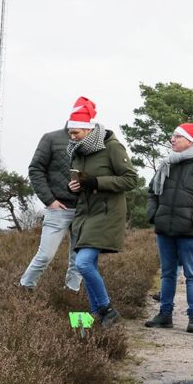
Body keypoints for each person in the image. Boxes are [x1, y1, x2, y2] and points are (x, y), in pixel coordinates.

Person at [66, 97, 139, 328]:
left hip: (107, 213)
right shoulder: (77, 151)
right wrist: (75, 186)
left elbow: (130, 180)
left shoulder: (112, 147)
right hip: (84, 214)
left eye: (76, 132)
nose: (72, 137)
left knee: (84, 263)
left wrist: (96, 182)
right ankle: (101, 314)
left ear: (89, 129)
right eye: (70, 133)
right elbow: (82, 183)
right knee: (88, 265)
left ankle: (107, 309)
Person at [144, 123, 193, 333]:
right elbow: (152, 192)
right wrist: (154, 214)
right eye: (173, 136)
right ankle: (165, 314)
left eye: (177, 136)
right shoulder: (166, 164)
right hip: (164, 230)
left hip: (189, 232)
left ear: (190, 141)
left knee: (192, 274)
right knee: (167, 273)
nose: (173, 139)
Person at [18, 104, 83, 292]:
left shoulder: (91, 142)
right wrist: (49, 200)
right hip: (58, 209)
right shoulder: (51, 138)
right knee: (45, 255)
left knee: (78, 258)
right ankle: (24, 288)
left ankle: (71, 293)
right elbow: (35, 169)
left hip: (84, 210)